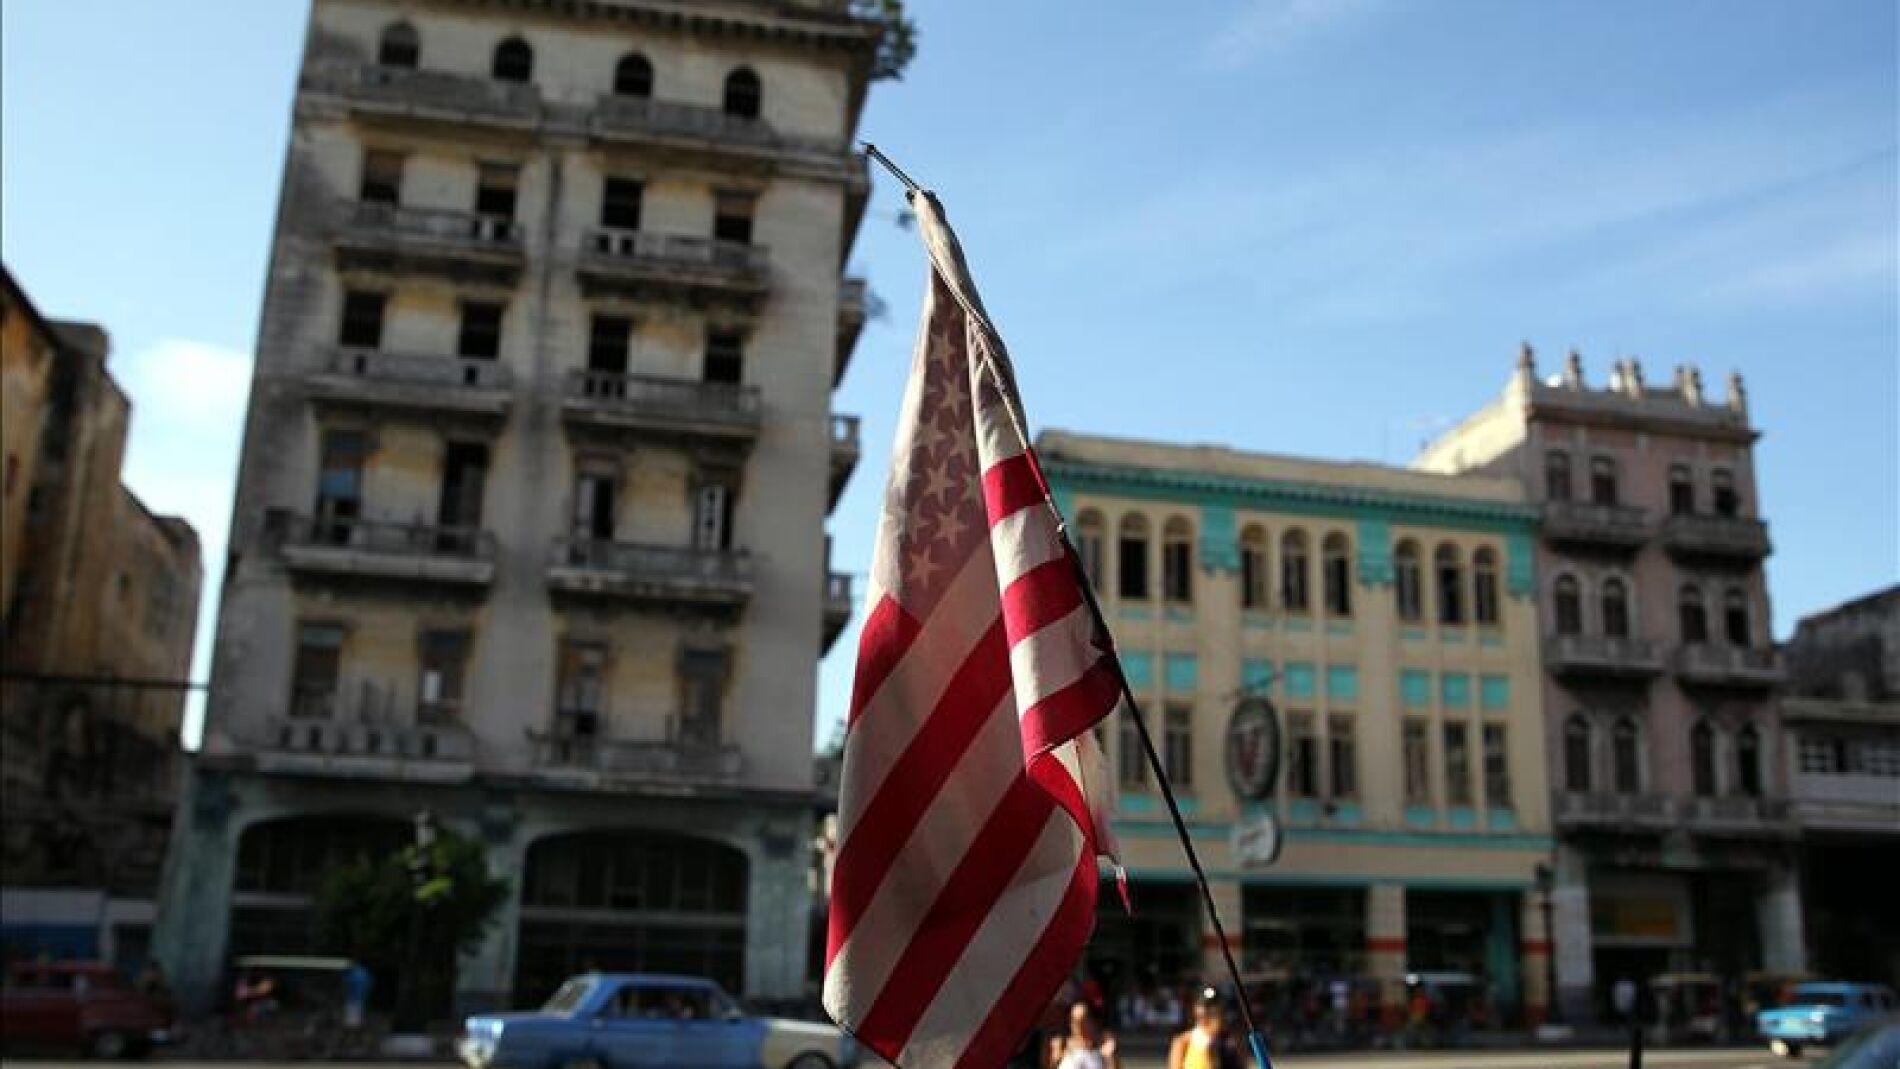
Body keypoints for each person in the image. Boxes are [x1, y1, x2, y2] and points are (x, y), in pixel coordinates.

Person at [1168, 988, 1242, 1069]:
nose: (1210, 1012)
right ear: (1195, 1009)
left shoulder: (1233, 1041)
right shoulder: (1183, 1041)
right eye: (1206, 1007)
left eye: (1214, 1008)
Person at [1045, 1000, 1120, 1069]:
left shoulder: (1104, 1045)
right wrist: (1054, 1060)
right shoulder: (1060, 1044)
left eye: (1083, 1021)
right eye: (1074, 1020)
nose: (1078, 1026)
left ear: (1093, 1022)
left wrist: (1110, 1058)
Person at [343, 960, 373, 1030]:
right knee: (357, 1017)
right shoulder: (365, 972)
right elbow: (370, 984)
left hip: (353, 999)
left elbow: (346, 982)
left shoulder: (354, 973)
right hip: (361, 998)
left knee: (352, 1021)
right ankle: (356, 1026)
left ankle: (353, 1028)